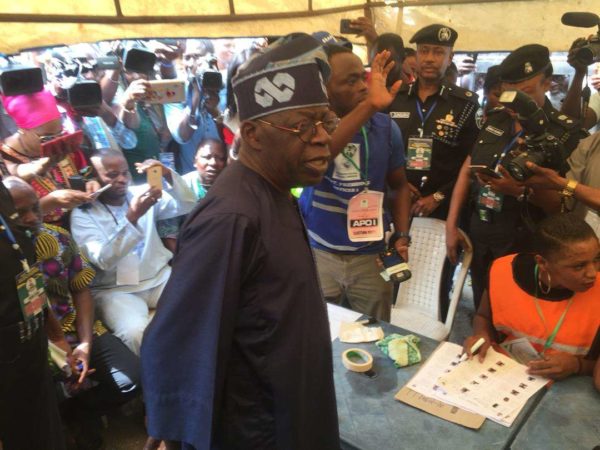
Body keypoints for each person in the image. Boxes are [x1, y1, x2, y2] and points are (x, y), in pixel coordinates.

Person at [141, 34, 340, 449]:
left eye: (325, 121)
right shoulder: (232, 217)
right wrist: (171, 434)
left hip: (293, 406)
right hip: (259, 430)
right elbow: (176, 340)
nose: (321, 137)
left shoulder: (275, 187)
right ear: (252, 134)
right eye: (303, 126)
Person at [446, 45, 587, 311]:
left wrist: (520, 191)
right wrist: (451, 226)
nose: (513, 102)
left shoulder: (564, 133)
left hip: (527, 245)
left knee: (518, 316)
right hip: (482, 236)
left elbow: (565, 204)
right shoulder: (496, 120)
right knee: (483, 311)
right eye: (508, 92)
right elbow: (467, 170)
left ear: (547, 84)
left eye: (525, 92)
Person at [5, 176, 141, 448]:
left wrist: (86, 343)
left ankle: (82, 412)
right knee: (44, 399)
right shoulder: (6, 257)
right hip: (35, 346)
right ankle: (65, 419)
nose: (32, 218)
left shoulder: (59, 239)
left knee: (133, 379)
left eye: (36, 208)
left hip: (75, 329)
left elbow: (81, 289)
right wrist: (57, 350)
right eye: (20, 213)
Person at [299, 44, 411, 321]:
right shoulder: (310, 129)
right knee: (321, 333)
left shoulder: (386, 129)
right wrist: (369, 106)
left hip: (370, 256)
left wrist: (403, 235)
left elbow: (399, 186)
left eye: (364, 76)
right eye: (351, 80)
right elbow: (321, 157)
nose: (364, 86)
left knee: (374, 334)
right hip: (319, 254)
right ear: (324, 89)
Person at [70, 150, 196, 354]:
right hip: (116, 290)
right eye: (112, 175)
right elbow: (103, 259)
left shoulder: (141, 193)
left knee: (198, 301)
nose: (121, 180)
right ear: (94, 177)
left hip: (158, 278)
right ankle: (158, 381)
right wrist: (132, 218)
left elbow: (187, 204)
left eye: (125, 173)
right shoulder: (83, 214)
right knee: (135, 332)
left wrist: (166, 174)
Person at [464, 213, 600, 381]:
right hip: (506, 372)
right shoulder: (503, 270)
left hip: (569, 385)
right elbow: (482, 316)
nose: (593, 273)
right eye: (579, 266)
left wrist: (577, 365)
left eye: (596, 259)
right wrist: (482, 335)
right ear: (542, 263)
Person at [0, 172, 66, 449]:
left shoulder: (6, 206)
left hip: (30, 343)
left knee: (44, 428)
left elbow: (25, 274)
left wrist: (55, 332)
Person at [387, 24, 480, 220]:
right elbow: (382, 150)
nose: (430, 58)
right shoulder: (395, 98)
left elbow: (473, 162)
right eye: (424, 51)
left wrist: (438, 196)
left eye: (438, 52)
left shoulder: (466, 104)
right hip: (397, 202)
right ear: (416, 56)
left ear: (450, 58)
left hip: (444, 210)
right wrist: (398, 183)